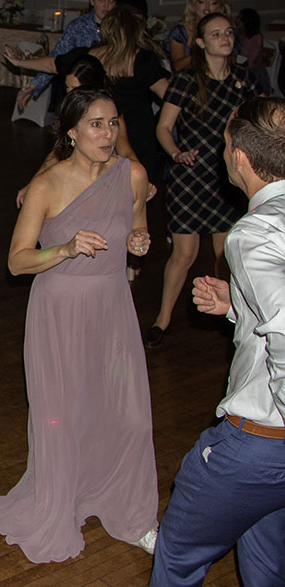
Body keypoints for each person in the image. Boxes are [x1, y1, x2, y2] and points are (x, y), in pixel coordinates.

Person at [0, 87, 158, 562]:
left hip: (112, 309)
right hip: (58, 312)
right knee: (63, 416)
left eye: (113, 123)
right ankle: (58, 505)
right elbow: (17, 262)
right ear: (72, 132)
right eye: (96, 124)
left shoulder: (132, 175)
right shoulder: (47, 185)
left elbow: (138, 223)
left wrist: (138, 240)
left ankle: (136, 515)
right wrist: (63, 249)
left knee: (132, 417)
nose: (107, 133)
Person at [150, 96, 285, 586]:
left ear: (240, 158)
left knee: (177, 557)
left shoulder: (253, 233)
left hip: (260, 444)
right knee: (266, 564)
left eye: (225, 145)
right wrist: (238, 305)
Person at [147, 12, 262, 348]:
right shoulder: (186, 80)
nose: (225, 38)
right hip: (190, 175)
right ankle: (162, 319)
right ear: (200, 42)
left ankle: (232, 314)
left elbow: (257, 125)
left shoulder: (245, 80)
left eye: (228, 32)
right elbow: (163, 127)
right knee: (183, 254)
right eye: (216, 34)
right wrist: (176, 153)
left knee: (225, 254)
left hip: (229, 178)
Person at [5, 5, 170, 182]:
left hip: (110, 129)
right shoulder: (141, 59)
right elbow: (171, 97)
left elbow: (53, 65)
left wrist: (20, 62)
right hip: (133, 132)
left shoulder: (95, 55)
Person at [14, 54, 156, 206]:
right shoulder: (72, 114)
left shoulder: (113, 119)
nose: (69, 93)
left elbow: (126, 152)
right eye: (67, 87)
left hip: (103, 183)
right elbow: (57, 153)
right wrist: (33, 184)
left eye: (75, 88)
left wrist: (141, 178)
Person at [16, 0, 119, 112]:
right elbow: (57, 58)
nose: (106, 6)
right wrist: (33, 86)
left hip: (108, 93)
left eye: (111, 1)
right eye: (101, 0)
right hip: (77, 94)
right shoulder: (77, 26)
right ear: (92, 0)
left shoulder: (119, 29)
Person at [165, 0, 230, 73]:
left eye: (213, 3)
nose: (207, 8)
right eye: (201, 2)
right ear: (193, 5)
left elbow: (231, 63)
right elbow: (177, 67)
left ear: (220, 7)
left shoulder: (227, 32)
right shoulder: (181, 32)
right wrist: (203, 51)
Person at [236, 7, 271, 94]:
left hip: (254, 70)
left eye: (239, 18)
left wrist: (245, 69)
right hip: (240, 67)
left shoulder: (256, 37)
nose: (237, 19)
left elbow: (254, 56)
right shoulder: (237, 34)